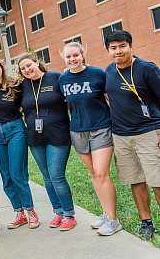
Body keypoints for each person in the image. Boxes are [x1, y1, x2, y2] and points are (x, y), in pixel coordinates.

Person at [58, 42, 120, 236]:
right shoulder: (63, 79)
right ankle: (105, 213)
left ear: (82, 55)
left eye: (76, 55)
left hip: (100, 127)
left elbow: (110, 97)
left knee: (102, 173)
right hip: (78, 130)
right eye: (68, 57)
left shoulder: (97, 74)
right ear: (64, 59)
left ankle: (113, 220)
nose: (72, 59)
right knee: (93, 172)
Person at [104, 30, 160, 240]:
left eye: (122, 46)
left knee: (157, 180)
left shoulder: (147, 69)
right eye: (113, 48)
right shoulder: (109, 71)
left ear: (130, 46)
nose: (118, 51)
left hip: (148, 132)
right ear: (108, 51)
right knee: (136, 180)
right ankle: (146, 221)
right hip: (121, 136)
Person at [18, 53, 77, 231]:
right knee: (46, 177)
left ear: (37, 63)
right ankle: (58, 212)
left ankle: (69, 214)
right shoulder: (23, 86)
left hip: (58, 133)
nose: (27, 70)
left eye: (29, 65)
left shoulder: (56, 78)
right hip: (35, 137)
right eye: (23, 68)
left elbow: (71, 97)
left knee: (57, 175)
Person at [0, 57, 39, 229]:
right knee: (6, 176)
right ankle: (19, 212)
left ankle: (30, 211)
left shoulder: (15, 84)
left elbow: (30, 98)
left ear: (2, 67)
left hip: (15, 129)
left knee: (17, 174)